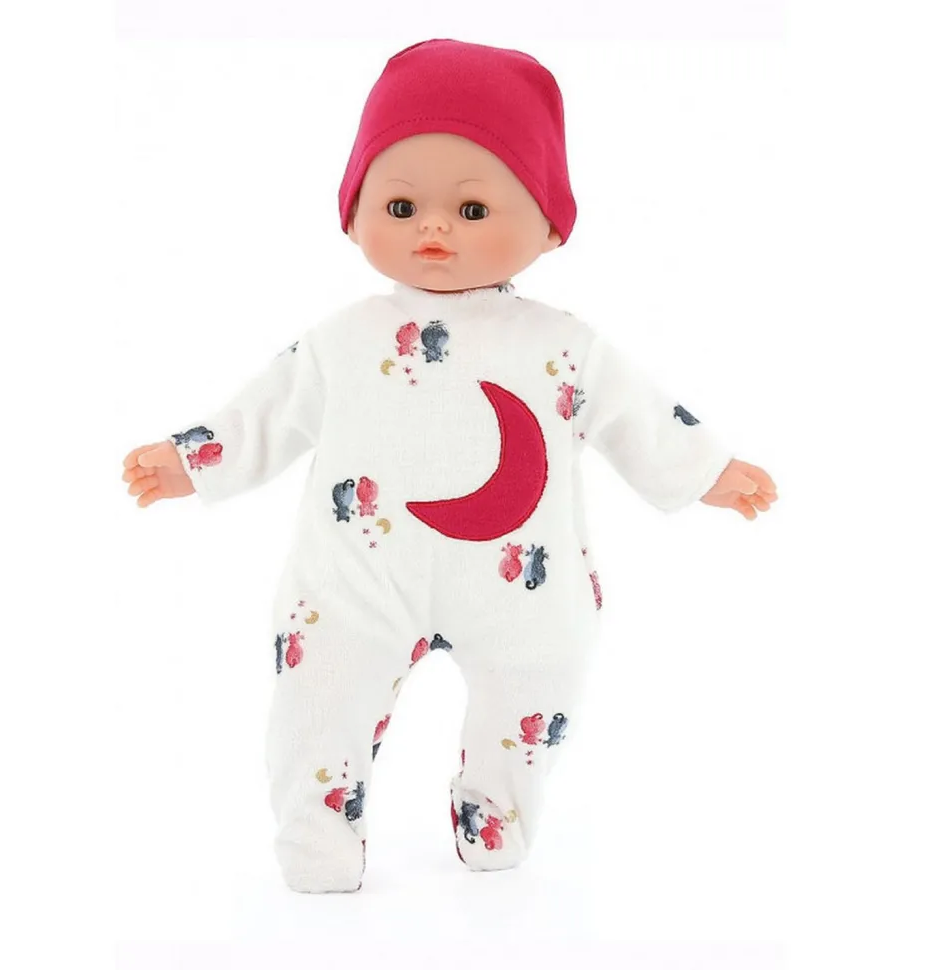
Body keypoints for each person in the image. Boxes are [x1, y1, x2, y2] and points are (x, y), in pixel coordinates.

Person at [121, 39, 778, 894]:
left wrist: (705, 470)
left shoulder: (565, 346)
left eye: (472, 209)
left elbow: (642, 417)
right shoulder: (340, 342)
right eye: (400, 206)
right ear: (353, 216)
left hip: (523, 588)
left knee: (540, 687)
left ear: (549, 226)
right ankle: (317, 836)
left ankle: (496, 812)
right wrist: (189, 460)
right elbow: (264, 414)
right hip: (355, 582)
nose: (433, 229)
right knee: (318, 700)